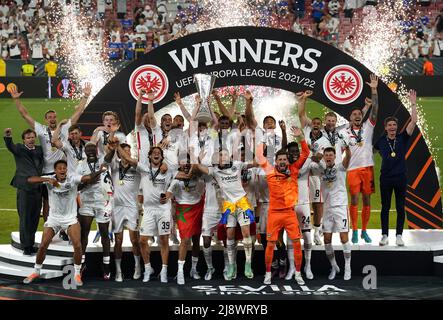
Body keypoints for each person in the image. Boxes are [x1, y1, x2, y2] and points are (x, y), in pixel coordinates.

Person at [10, 84, 91, 226]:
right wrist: (16, 100)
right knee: (47, 201)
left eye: (54, 117)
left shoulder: (65, 128)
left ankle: (69, 226)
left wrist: (85, 96)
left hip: (65, 171)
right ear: (46, 119)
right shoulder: (41, 130)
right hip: (47, 172)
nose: (52, 119)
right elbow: (25, 114)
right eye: (49, 117)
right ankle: (50, 227)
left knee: (70, 199)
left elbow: (79, 112)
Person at [23, 160, 106, 285]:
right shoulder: (50, 179)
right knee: (43, 245)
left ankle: (77, 273)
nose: (62, 170)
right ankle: (36, 271)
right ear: (55, 170)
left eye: (64, 168)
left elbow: (87, 177)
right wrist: (46, 180)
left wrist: (100, 171)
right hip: (54, 219)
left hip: (70, 218)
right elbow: (29, 180)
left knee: (77, 245)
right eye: (60, 168)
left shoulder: (72, 179)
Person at [190, 148, 255, 281]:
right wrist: (196, 158)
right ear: (216, 160)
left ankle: (248, 264)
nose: (223, 157)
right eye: (220, 155)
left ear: (230, 157)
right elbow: (198, 168)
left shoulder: (237, 165)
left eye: (226, 154)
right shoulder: (214, 171)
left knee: (246, 233)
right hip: (227, 205)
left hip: (242, 203)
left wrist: (261, 153)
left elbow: (255, 163)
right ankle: (231, 265)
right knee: (229, 234)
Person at [256, 126, 309, 285]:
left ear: (287, 161)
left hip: (289, 213)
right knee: (270, 244)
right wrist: (263, 142)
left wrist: (301, 138)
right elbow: (259, 156)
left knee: (296, 243)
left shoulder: (294, 170)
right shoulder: (270, 171)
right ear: (276, 161)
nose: (283, 162)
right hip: (274, 213)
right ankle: (267, 273)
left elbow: (305, 153)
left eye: (285, 159)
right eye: (280, 160)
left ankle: (298, 273)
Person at [118, 145, 171, 283]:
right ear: (149, 156)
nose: (156, 154)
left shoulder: (167, 170)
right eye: (153, 152)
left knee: (164, 240)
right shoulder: (144, 169)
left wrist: (168, 196)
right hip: (148, 211)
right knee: (142, 241)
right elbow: (128, 158)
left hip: (163, 210)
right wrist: (118, 145)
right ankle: (148, 268)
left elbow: (173, 188)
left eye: (158, 153)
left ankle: (164, 271)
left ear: (161, 157)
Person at [374, 90, 417, 246]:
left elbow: (413, 121)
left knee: (400, 207)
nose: (392, 127)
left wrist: (413, 103)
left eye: (394, 125)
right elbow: (372, 151)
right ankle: (384, 235)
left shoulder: (402, 137)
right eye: (389, 125)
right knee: (385, 207)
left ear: (397, 127)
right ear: (385, 127)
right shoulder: (380, 141)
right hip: (385, 178)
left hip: (400, 177)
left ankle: (399, 235)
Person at [344, 74, 379, 244]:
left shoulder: (368, 127)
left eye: (359, 114)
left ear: (362, 116)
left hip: (368, 168)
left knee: (366, 199)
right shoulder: (344, 132)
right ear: (350, 118)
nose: (357, 116)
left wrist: (374, 90)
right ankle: (355, 232)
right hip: (352, 170)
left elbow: (375, 109)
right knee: (355, 200)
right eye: (354, 114)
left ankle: (364, 231)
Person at [311, 146, 352, 280]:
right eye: (326, 155)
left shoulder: (340, 168)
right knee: (327, 240)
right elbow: (312, 160)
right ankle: (334, 266)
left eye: (331, 155)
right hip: (327, 208)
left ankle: (347, 267)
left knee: (343, 238)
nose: (328, 157)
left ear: (335, 156)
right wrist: (316, 155)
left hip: (340, 207)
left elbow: (348, 159)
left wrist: (347, 150)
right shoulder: (320, 170)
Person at [164, 153, 205, 285]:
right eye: (182, 162)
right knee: (185, 240)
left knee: (196, 240)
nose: (185, 164)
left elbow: (202, 171)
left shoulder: (198, 175)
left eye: (188, 162)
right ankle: (180, 271)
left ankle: (194, 269)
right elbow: (169, 193)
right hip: (183, 210)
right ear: (179, 164)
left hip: (198, 207)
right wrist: (165, 197)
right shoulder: (176, 178)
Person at [104, 143, 142, 281]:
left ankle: (137, 266)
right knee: (118, 241)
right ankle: (119, 271)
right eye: (124, 151)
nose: (127, 153)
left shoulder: (137, 167)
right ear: (119, 154)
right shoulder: (114, 166)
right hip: (117, 207)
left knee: (134, 240)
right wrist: (113, 144)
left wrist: (118, 146)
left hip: (132, 207)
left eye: (129, 151)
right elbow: (107, 156)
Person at [4, 128, 43, 255]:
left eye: (32, 137)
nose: (31, 139)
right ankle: (26, 246)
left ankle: (30, 244)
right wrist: (8, 136)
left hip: (37, 189)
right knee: (25, 218)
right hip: (25, 189)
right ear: (24, 140)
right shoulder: (19, 149)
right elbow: (10, 146)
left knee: (34, 218)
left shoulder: (39, 149)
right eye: (28, 137)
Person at [76, 142, 113, 279]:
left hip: (103, 202)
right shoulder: (80, 166)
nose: (90, 151)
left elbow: (109, 157)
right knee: (83, 233)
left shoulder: (103, 161)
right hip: (86, 203)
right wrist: (87, 182)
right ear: (85, 152)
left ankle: (106, 265)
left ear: (97, 151)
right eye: (88, 149)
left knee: (104, 233)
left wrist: (114, 148)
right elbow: (76, 186)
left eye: (93, 149)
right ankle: (82, 264)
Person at [285, 141, 314, 280]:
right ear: (287, 153)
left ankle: (307, 266)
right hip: (290, 206)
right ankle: (291, 268)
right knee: (290, 237)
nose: (295, 153)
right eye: (292, 151)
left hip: (304, 204)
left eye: (297, 151)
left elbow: (315, 162)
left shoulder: (307, 162)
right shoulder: (284, 166)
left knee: (307, 236)